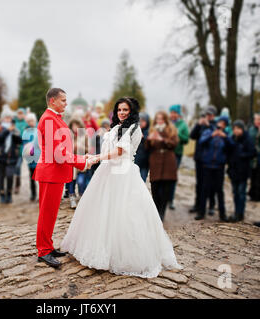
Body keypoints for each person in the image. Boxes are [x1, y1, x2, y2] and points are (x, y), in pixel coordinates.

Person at [61, 97, 182, 278]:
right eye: (119, 110)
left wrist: (95, 158)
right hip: (107, 172)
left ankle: (123, 254)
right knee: (101, 211)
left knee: (125, 214)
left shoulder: (134, 129)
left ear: (131, 111)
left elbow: (119, 152)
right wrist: (94, 155)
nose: (122, 113)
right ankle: (98, 249)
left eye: (125, 110)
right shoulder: (116, 127)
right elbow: (108, 148)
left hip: (123, 174)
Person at [32, 88, 93, 268]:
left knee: (51, 213)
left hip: (55, 173)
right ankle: (43, 251)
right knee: (46, 213)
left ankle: (48, 246)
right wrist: (80, 162)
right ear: (52, 101)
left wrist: (80, 158)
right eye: (63, 100)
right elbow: (59, 153)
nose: (66, 103)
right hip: (51, 172)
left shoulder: (55, 117)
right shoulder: (49, 119)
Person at [195, 116, 234, 222]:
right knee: (204, 189)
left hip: (219, 166)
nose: (221, 125)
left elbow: (232, 146)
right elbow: (201, 142)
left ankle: (222, 214)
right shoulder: (208, 131)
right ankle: (201, 212)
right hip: (207, 165)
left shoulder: (227, 134)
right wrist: (212, 135)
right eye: (220, 122)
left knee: (219, 191)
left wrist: (225, 137)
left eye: (224, 123)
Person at [146, 111, 179, 221]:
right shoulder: (152, 129)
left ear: (165, 120)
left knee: (165, 190)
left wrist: (162, 139)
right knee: (155, 189)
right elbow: (147, 148)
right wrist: (149, 139)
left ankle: (162, 212)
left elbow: (174, 144)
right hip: (155, 161)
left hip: (168, 162)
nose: (159, 121)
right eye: (157, 119)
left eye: (161, 119)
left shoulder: (171, 129)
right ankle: (155, 212)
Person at [226, 120, 256, 222]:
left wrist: (241, 155)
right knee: (235, 192)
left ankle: (240, 213)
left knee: (241, 192)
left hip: (243, 170)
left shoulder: (248, 139)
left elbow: (253, 152)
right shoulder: (232, 138)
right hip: (233, 170)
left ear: (242, 129)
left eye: (238, 128)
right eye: (234, 128)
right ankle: (236, 212)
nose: (236, 131)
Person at [189, 106, 217, 215]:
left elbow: (216, 137)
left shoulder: (215, 125)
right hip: (199, 158)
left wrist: (209, 125)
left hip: (210, 160)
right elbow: (192, 136)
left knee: (210, 184)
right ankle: (198, 205)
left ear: (213, 116)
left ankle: (211, 206)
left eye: (210, 115)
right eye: (206, 114)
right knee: (199, 183)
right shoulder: (201, 125)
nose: (207, 116)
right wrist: (198, 125)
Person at [0, 110, 22, 204]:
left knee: (10, 176)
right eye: (6, 117)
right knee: (1, 176)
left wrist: (15, 133)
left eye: (9, 118)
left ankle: (9, 193)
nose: (8, 119)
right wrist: (7, 131)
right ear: (2, 119)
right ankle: (2, 194)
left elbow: (19, 141)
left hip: (12, 156)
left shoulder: (14, 128)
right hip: (0, 156)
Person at [168, 104, 189, 209]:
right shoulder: (166, 123)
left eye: (175, 113)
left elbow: (186, 139)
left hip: (177, 153)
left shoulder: (183, 125)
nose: (173, 114)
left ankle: (170, 200)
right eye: (171, 112)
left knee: (172, 177)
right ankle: (163, 198)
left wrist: (177, 134)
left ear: (178, 114)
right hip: (166, 152)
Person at [67, 115, 90, 209]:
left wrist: (81, 148)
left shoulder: (84, 135)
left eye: (76, 125)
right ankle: (72, 198)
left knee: (81, 182)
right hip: (71, 163)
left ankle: (81, 196)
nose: (75, 127)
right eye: (73, 125)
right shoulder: (68, 135)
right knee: (71, 182)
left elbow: (89, 149)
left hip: (81, 162)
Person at [248, 112, 260, 201]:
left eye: (258, 119)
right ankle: (252, 193)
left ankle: (258, 194)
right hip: (252, 157)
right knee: (253, 176)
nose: (256, 121)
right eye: (255, 119)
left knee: (259, 177)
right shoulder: (251, 129)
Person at [23, 113, 41, 202]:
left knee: (40, 178)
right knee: (32, 177)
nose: (31, 123)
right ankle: (33, 194)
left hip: (39, 157)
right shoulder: (26, 131)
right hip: (30, 158)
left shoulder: (39, 129)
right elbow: (24, 144)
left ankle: (40, 195)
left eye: (32, 121)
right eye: (29, 121)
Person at [14, 108, 29, 195]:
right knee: (17, 166)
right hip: (16, 149)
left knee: (31, 167)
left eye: (21, 114)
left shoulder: (26, 124)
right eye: (18, 114)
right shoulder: (14, 123)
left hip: (25, 149)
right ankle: (17, 184)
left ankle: (33, 186)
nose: (20, 115)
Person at [134, 112, 151, 182]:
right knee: (134, 180)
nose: (140, 123)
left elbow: (150, 145)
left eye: (143, 121)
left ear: (147, 122)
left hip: (145, 163)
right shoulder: (134, 131)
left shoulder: (148, 132)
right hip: (135, 161)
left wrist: (143, 139)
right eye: (139, 121)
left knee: (142, 180)